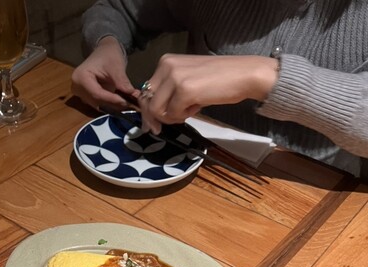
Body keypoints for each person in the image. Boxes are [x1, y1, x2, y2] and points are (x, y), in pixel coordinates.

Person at [71, 0, 368, 178]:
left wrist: (266, 77)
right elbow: (120, 9)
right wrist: (106, 43)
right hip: (193, 166)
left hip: (319, 192)